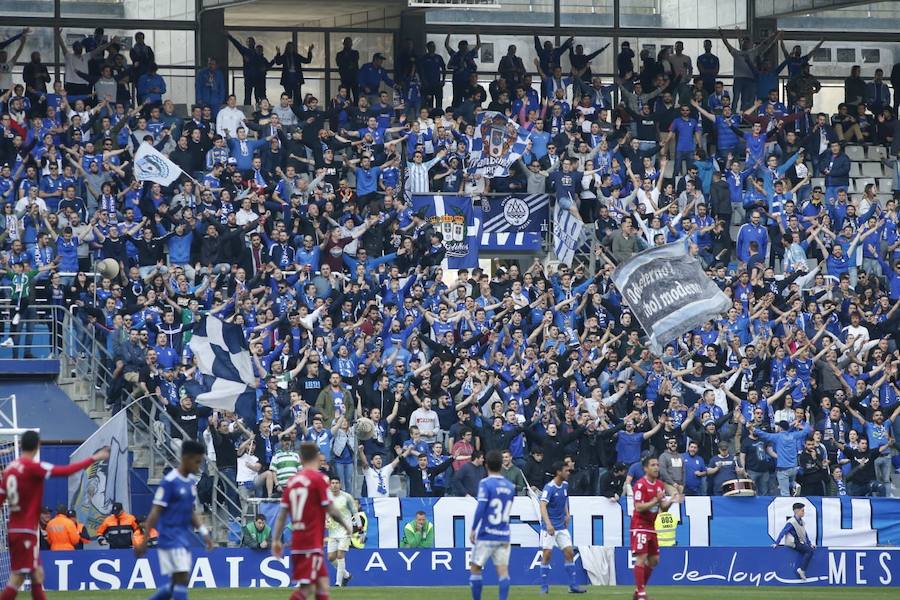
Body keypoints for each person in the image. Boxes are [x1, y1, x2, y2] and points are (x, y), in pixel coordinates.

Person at [0, 431, 109, 600]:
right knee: (21, 577)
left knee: (33, 575)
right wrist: (94, 458)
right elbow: (66, 471)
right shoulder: (33, 467)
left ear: (21, 446)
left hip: (14, 530)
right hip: (26, 531)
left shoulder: (9, 470)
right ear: (37, 446)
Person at [272, 442, 354, 600]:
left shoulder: (292, 482)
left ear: (301, 459)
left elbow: (282, 515)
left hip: (298, 542)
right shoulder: (319, 479)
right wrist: (346, 526)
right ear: (316, 457)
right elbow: (330, 509)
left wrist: (276, 540)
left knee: (320, 584)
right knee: (309, 588)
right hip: (311, 541)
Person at [135, 440, 214, 600]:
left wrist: (204, 532)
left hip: (182, 537)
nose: (199, 466)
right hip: (169, 537)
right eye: (197, 462)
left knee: (177, 582)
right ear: (186, 458)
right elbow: (155, 511)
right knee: (182, 579)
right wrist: (145, 539)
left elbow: (190, 511)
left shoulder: (190, 483)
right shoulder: (169, 482)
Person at [631, 454, 684, 600]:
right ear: (645, 468)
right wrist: (656, 500)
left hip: (651, 526)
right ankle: (641, 593)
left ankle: (638, 590)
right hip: (640, 525)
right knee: (642, 557)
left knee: (654, 560)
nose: (656, 468)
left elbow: (663, 508)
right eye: (653, 465)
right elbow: (639, 507)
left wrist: (672, 500)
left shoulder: (660, 485)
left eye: (657, 465)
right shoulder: (640, 485)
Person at [469, 450, 515, 600]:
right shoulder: (510, 486)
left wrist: (473, 528)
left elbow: (481, 507)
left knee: (475, 568)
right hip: (503, 535)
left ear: (486, 465)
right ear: (501, 465)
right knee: (503, 571)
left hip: (487, 534)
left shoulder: (485, 483)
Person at [538, 460, 586, 594]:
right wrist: (548, 524)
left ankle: (572, 585)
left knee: (569, 552)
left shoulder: (565, 485)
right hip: (549, 527)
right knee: (547, 555)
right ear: (559, 472)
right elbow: (542, 505)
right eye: (566, 471)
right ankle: (544, 586)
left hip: (561, 526)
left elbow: (564, 500)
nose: (568, 473)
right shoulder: (549, 488)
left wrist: (567, 514)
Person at [326, 477, 359, 587]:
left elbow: (355, 512)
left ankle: (338, 583)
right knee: (331, 558)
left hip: (345, 531)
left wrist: (359, 527)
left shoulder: (347, 497)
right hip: (333, 531)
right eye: (332, 483)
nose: (334, 485)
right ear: (330, 485)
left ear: (340, 484)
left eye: (337, 483)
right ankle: (346, 575)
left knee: (340, 555)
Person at [773, 502, 816, 580]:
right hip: (793, 543)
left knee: (809, 549)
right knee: (809, 551)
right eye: (802, 510)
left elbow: (805, 534)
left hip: (799, 543)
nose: (804, 512)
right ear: (796, 511)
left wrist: (809, 544)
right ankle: (802, 569)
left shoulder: (801, 522)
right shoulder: (791, 522)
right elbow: (783, 532)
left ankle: (802, 569)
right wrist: (777, 543)